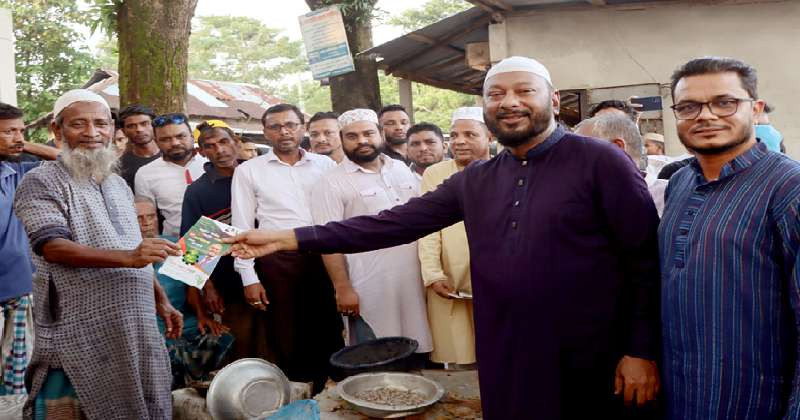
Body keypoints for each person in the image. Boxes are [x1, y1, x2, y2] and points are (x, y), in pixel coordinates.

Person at [225, 56, 661, 419]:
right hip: (503, 348)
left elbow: (644, 259)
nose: (509, 102)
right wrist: (290, 238)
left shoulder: (600, 162)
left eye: (524, 91)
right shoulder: (478, 179)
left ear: (554, 99)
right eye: (496, 94)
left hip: (591, 352)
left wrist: (639, 350)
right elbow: (390, 223)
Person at [12, 89, 183, 419]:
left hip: (136, 320)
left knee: (146, 398)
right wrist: (129, 258)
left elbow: (134, 247)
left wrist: (160, 298)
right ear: (57, 131)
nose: (92, 133)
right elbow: (52, 246)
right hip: (79, 325)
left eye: (101, 124)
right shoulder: (40, 181)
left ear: (111, 130)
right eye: (79, 124)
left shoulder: (117, 184)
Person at [660, 56, 800, 420]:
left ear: (754, 109)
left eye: (724, 102)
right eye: (689, 106)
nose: (705, 116)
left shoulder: (788, 187)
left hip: (755, 402)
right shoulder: (680, 182)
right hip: (683, 395)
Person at [231, 103, 343, 393]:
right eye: (276, 126)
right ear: (265, 132)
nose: (284, 132)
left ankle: (329, 396)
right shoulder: (248, 171)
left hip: (324, 255)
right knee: (286, 334)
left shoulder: (325, 165)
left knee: (329, 329)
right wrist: (249, 277)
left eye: (291, 125)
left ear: (302, 127)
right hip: (277, 260)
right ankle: (297, 396)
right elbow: (241, 228)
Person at [310, 109, 432, 353]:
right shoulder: (330, 182)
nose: (362, 141)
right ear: (342, 140)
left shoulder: (399, 169)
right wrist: (343, 288)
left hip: (415, 282)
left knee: (417, 350)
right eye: (352, 136)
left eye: (368, 133)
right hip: (368, 286)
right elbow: (327, 241)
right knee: (376, 356)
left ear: (381, 134)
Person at [418, 106, 490, 368]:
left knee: (499, 349)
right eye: (454, 134)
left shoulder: (507, 169)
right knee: (459, 356)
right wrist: (433, 274)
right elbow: (426, 229)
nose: (459, 141)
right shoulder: (435, 173)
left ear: (490, 137)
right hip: (450, 278)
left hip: (496, 279)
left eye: (470, 134)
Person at [136, 196, 233, 389]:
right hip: (147, 328)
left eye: (151, 216)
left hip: (182, 320)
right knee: (168, 352)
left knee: (221, 337)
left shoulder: (176, 245)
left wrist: (202, 316)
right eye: (139, 218)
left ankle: (201, 387)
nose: (147, 223)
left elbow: (191, 283)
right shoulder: (122, 253)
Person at [181, 121, 256, 362]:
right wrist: (208, 287)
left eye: (224, 142)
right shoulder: (198, 191)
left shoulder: (259, 174)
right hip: (229, 279)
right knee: (241, 341)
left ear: (236, 143)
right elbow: (192, 247)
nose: (219, 150)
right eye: (210, 146)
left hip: (272, 268)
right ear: (201, 152)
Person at [0, 103, 43, 396]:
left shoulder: (19, 173)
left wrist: (20, 142)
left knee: (15, 377)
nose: (18, 137)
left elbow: (67, 160)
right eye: (9, 131)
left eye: (21, 130)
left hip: (18, 289)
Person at [574, 114, 668, 216]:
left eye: (581, 151)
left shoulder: (670, 195)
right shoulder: (581, 201)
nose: (573, 162)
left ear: (616, 149)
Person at [135, 112, 207, 237]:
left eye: (180, 136)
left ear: (192, 136)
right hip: (174, 245)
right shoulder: (145, 174)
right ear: (156, 142)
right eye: (165, 139)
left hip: (221, 242)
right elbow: (147, 218)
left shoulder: (211, 163)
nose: (174, 143)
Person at [117, 105, 162, 191]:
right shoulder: (120, 167)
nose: (139, 129)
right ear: (123, 131)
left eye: (144, 123)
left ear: (154, 126)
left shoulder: (171, 155)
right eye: (131, 126)